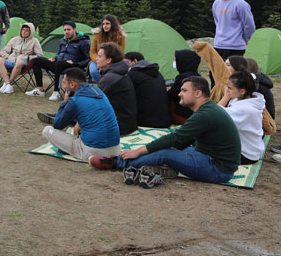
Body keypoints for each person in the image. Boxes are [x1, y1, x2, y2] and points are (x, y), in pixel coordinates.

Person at [90, 76, 241, 186]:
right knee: (171, 149)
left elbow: (174, 137)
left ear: (198, 93)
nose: (179, 94)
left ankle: (116, 162)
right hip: (206, 156)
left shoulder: (206, 114)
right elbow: (184, 139)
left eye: (184, 90)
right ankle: (162, 168)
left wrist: (139, 151)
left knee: (166, 153)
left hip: (218, 169)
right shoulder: (207, 109)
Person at [40, 67, 121, 161]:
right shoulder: (98, 91)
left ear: (72, 84)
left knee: (47, 130)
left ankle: (71, 149)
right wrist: (78, 123)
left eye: (65, 83)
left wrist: (64, 102)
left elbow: (57, 124)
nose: (64, 87)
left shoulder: (74, 101)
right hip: (115, 149)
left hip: (93, 151)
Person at [27, 21, 91, 101]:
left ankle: (56, 92)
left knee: (59, 64)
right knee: (36, 60)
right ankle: (40, 89)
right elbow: (60, 53)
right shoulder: (62, 40)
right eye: (64, 30)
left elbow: (89, 59)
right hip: (59, 64)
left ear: (74, 29)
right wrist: (54, 58)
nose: (66, 32)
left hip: (74, 67)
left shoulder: (84, 42)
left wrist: (76, 63)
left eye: (68, 29)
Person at [212, 0, 255, 86]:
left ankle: (232, 102)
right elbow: (217, 22)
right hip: (218, 45)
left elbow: (249, 25)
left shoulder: (241, 4)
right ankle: (217, 101)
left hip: (234, 47)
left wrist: (245, 38)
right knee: (214, 77)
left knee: (232, 79)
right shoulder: (216, 3)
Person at [218, 71, 265, 165]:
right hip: (248, 149)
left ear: (242, 91)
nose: (226, 89)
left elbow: (214, 114)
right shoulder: (244, 99)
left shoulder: (245, 109)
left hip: (245, 155)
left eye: (229, 88)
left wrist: (226, 97)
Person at [96, 42, 137, 135]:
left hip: (118, 127)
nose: (96, 59)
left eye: (99, 56)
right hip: (128, 124)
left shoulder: (109, 78)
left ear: (108, 60)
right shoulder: (121, 72)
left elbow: (92, 103)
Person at [125, 52, 171, 128]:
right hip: (165, 119)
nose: (125, 65)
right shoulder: (158, 73)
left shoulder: (132, 75)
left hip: (146, 121)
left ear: (135, 61)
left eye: (127, 62)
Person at [0, 22, 43, 94]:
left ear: (31, 32)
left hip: (24, 63)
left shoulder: (34, 41)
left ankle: (8, 84)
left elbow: (40, 55)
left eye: (27, 30)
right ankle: (8, 84)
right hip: (11, 61)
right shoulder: (14, 39)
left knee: (19, 62)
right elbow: (3, 52)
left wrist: (27, 57)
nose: (24, 32)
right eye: (23, 30)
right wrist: (9, 57)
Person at [88, 15, 126, 82]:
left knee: (114, 71)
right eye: (103, 24)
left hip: (113, 61)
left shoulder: (120, 36)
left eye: (107, 24)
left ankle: (109, 86)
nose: (105, 26)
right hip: (97, 60)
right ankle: (102, 86)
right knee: (93, 71)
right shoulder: (97, 35)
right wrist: (99, 62)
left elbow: (121, 53)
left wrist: (106, 63)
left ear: (113, 24)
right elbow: (92, 52)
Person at [168, 49, 201, 125]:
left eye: (176, 60)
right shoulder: (199, 77)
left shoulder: (183, 78)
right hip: (197, 115)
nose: (175, 62)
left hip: (183, 117)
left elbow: (171, 95)